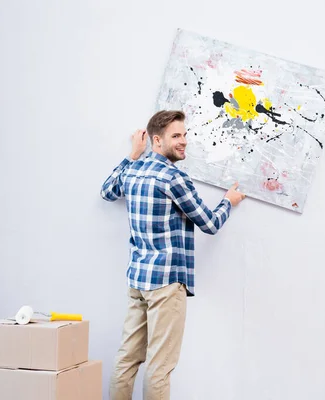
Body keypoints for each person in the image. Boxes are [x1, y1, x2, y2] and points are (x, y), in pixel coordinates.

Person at [100, 110, 246, 400]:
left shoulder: (133, 169)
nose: (184, 142)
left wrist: (132, 153)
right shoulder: (173, 178)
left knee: (127, 359)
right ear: (157, 140)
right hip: (166, 284)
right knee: (159, 367)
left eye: (184, 134)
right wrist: (227, 202)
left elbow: (107, 191)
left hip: (138, 279)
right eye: (176, 136)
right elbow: (210, 223)